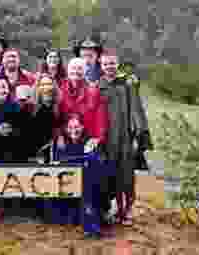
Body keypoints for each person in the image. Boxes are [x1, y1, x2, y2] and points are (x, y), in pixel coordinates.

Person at [97, 48, 152, 226]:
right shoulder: (98, 86)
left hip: (126, 137)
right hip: (108, 138)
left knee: (127, 175)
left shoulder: (127, 83)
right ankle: (117, 210)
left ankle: (127, 211)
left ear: (117, 63)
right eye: (105, 63)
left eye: (112, 63)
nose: (109, 67)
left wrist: (139, 136)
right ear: (100, 64)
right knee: (112, 175)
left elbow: (137, 110)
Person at [52, 113, 113, 239]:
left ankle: (94, 219)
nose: (74, 130)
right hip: (69, 189)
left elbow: (99, 168)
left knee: (91, 174)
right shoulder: (61, 143)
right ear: (66, 129)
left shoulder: (90, 142)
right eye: (70, 127)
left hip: (90, 190)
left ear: (83, 127)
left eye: (77, 127)